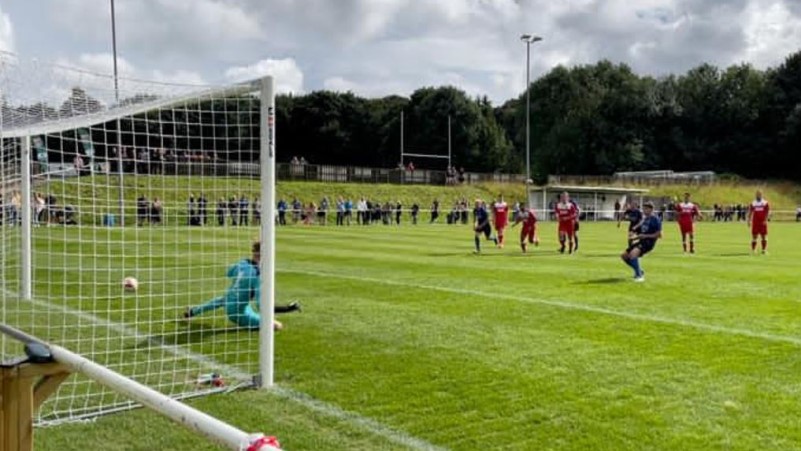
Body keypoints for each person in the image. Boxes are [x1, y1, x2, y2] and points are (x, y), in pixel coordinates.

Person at [184, 241, 301, 329]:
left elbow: (229, 273)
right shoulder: (258, 275)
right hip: (237, 313)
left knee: (223, 300)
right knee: (277, 325)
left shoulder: (243, 262)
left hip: (230, 300)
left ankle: (192, 311)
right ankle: (246, 320)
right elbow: (263, 307)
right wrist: (288, 308)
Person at [621, 202, 662, 282]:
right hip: (642, 241)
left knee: (633, 254)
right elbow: (641, 228)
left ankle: (639, 276)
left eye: (645, 209)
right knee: (624, 256)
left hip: (648, 243)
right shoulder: (646, 218)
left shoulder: (655, 219)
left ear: (650, 209)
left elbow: (659, 235)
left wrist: (645, 236)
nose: (643, 210)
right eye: (643, 208)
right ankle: (639, 271)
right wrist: (634, 236)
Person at [747, 190, 770, 254]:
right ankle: (753, 250)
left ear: (762, 195)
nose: (758, 195)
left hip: (763, 222)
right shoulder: (753, 203)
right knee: (754, 237)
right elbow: (750, 212)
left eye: (759, 194)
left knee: (764, 236)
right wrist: (749, 221)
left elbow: (767, 212)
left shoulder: (765, 203)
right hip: (755, 222)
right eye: (757, 194)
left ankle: (764, 250)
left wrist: (766, 220)